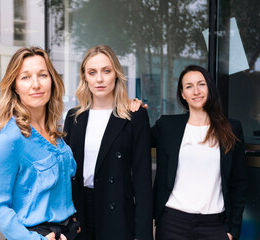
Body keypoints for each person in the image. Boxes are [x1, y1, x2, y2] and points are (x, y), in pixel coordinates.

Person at [0, 47, 79, 240]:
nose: (36, 84)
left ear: (52, 81)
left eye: (43, 75)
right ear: (14, 86)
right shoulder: (9, 141)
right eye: (25, 77)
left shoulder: (55, 133)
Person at [63, 45, 153, 240]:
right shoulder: (74, 117)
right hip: (79, 212)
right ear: (85, 77)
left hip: (117, 210)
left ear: (116, 74)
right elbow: (66, 173)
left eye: (106, 71)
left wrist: (143, 234)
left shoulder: (134, 116)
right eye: (92, 72)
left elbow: (142, 180)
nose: (100, 79)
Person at [152, 65, 247, 240]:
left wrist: (232, 230)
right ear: (182, 94)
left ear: (209, 87)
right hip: (173, 223)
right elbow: (136, 140)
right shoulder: (167, 126)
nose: (196, 91)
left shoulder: (232, 128)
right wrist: (131, 108)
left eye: (201, 84)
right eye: (189, 86)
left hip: (215, 226)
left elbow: (238, 183)